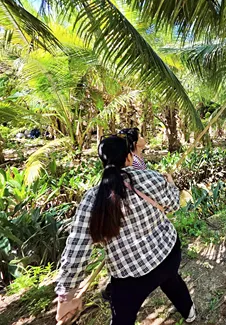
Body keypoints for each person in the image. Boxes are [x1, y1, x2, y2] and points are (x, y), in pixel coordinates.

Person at [55, 135, 196, 324]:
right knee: (171, 281)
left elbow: (77, 249)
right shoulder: (151, 176)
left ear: (103, 161)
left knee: (122, 317)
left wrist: (66, 295)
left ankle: (189, 311)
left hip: (130, 274)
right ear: (129, 157)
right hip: (167, 253)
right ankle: (190, 313)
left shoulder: (92, 199)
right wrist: (170, 185)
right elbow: (173, 205)